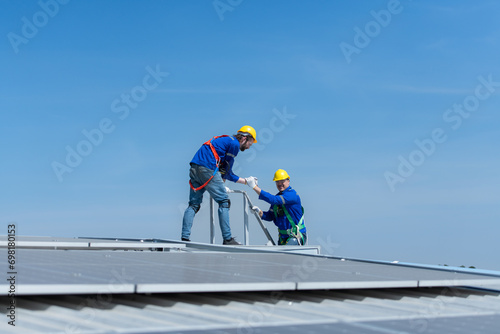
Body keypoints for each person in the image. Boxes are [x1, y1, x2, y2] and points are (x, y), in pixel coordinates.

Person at [181, 126, 258, 245]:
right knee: (224, 202)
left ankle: (184, 238)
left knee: (193, 205)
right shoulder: (234, 145)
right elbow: (227, 173)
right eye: (250, 143)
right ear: (244, 138)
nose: (249, 147)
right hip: (208, 168)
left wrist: (221, 184)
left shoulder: (225, 140)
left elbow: (223, 171)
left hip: (194, 167)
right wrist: (246, 181)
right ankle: (227, 239)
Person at [247, 169, 307, 245]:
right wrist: (259, 212)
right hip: (283, 238)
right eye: (277, 182)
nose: (280, 184)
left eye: (282, 181)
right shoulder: (277, 198)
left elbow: (274, 200)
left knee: (285, 253)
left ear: (288, 181)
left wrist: (254, 187)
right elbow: (270, 216)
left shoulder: (292, 195)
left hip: (296, 236)